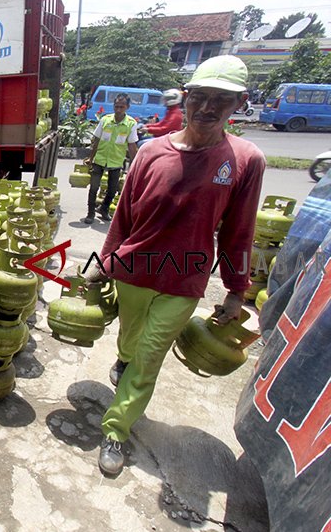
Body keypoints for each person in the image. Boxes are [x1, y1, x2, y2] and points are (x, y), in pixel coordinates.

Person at [84, 55, 266, 475]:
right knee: (130, 340)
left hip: (185, 278)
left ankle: (116, 429)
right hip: (135, 271)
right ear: (185, 98)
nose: (207, 107)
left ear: (238, 103)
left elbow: (241, 229)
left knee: (150, 354)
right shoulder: (150, 152)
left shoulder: (244, 159)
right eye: (199, 97)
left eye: (221, 99)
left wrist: (237, 290)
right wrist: (104, 263)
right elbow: (124, 216)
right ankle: (123, 360)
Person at [82, 94, 139, 224]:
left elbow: (131, 146)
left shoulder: (131, 124)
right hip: (99, 159)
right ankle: (90, 213)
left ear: (127, 107)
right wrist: (91, 158)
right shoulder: (105, 120)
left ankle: (104, 209)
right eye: (116, 106)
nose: (118, 109)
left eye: (121, 107)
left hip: (116, 161)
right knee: (94, 187)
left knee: (112, 189)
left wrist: (134, 165)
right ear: (113, 106)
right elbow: (96, 140)